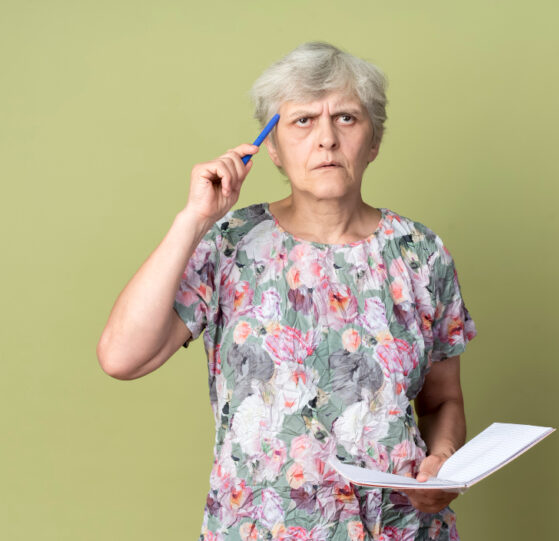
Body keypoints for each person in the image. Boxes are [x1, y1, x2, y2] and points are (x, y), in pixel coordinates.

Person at [97, 41, 477, 540]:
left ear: (374, 140)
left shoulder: (420, 252)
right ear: (271, 147)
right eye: (302, 121)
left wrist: (442, 461)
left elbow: (443, 400)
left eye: (346, 118)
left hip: (398, 527)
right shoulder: (231, 243)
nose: (326, 139)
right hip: (261, 528)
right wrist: (193, 220)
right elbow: (123, 357)